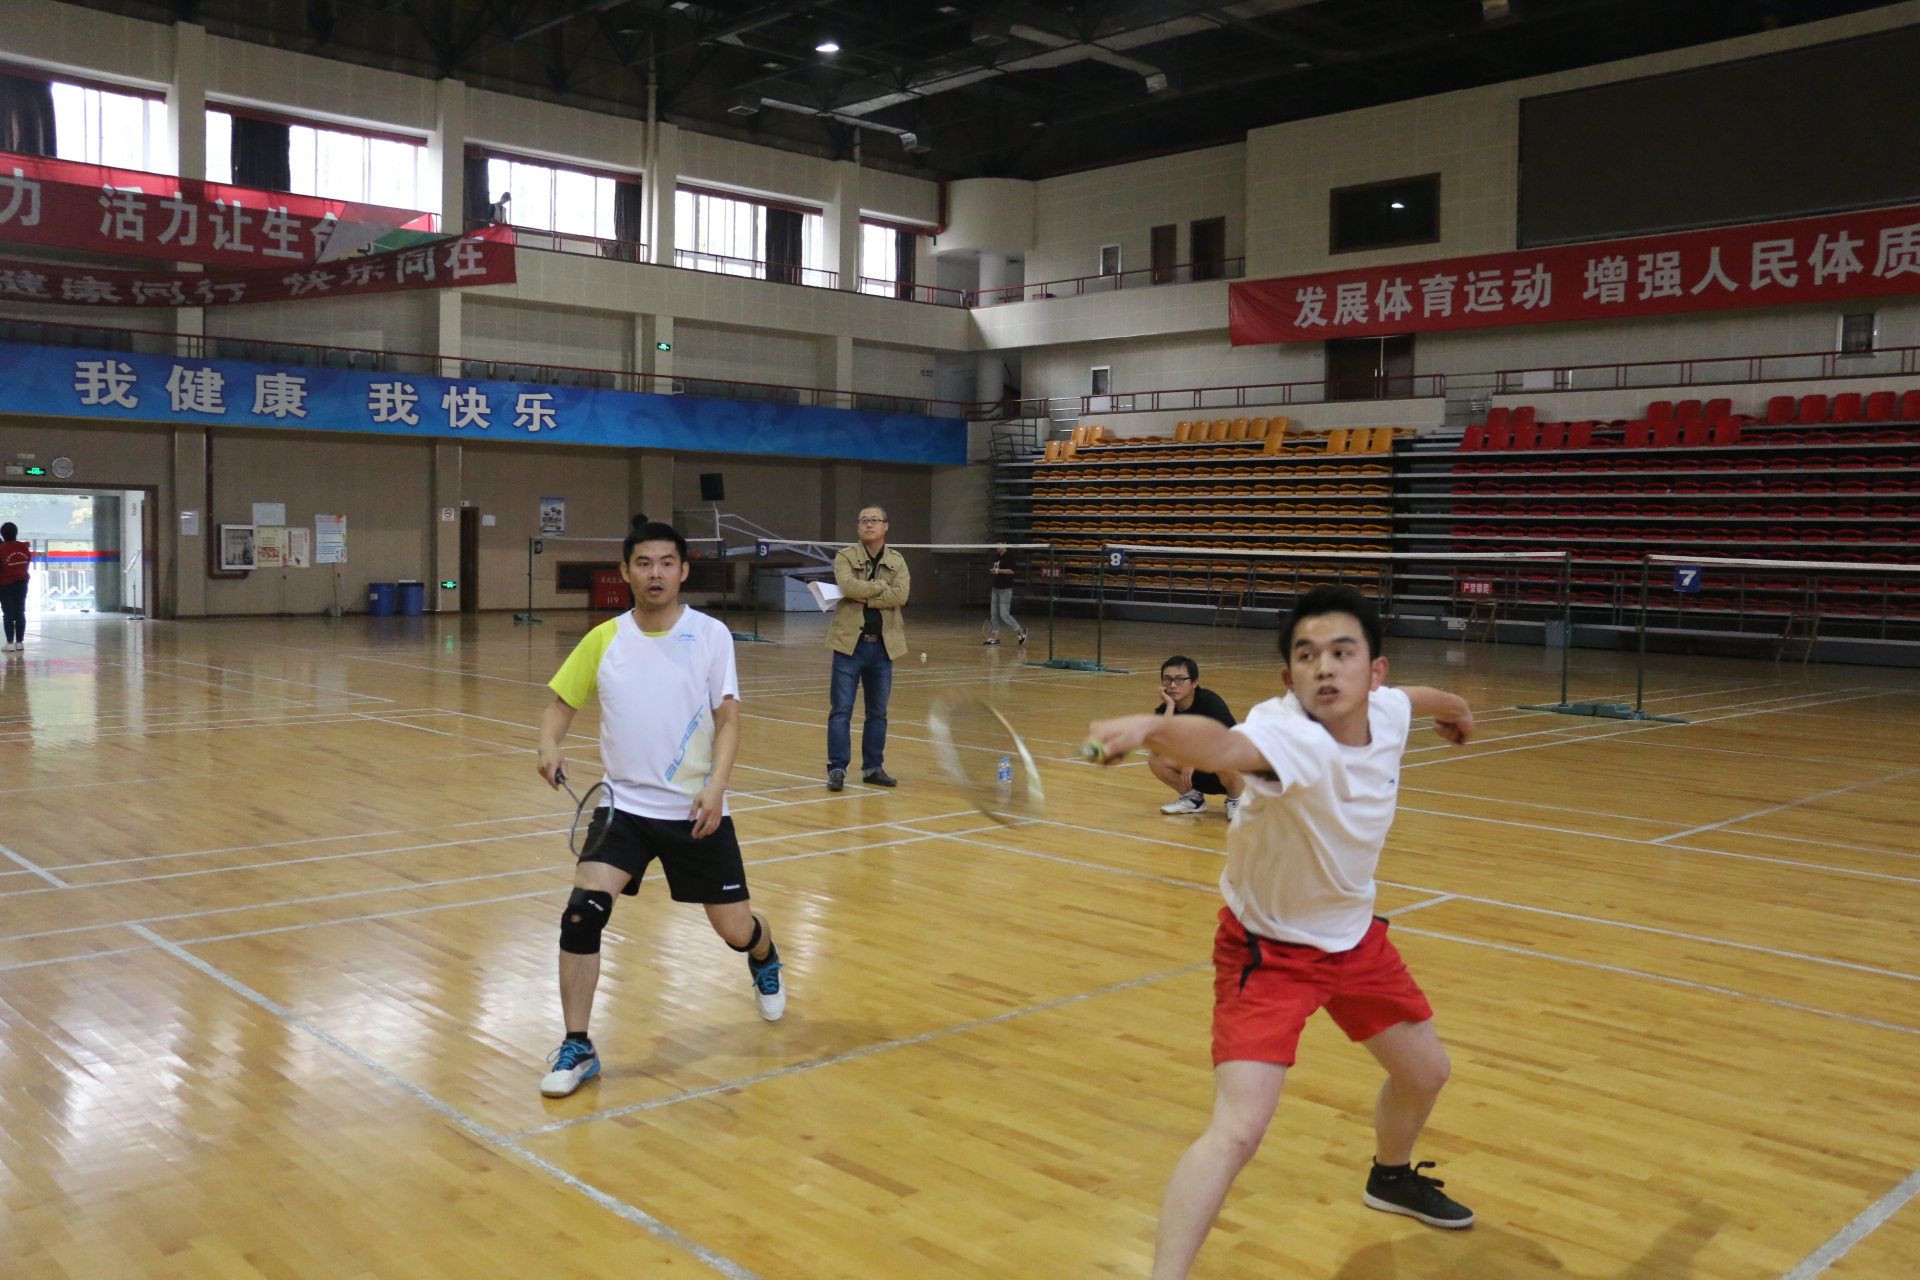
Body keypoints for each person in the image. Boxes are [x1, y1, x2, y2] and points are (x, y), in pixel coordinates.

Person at [1086, 585, 1478, 1278]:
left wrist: (1456, 708)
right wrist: (1151, 729)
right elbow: (1224, 744)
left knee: (1427, 1074)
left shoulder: (1385, 711)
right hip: (1267, 953)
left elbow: (1415, 698)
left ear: (1373, 671)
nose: (1324, 668)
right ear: (1287, 678)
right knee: (1239, 1129)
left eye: (1341, 653)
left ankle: (1389, 1177)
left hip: (1355, 939)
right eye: (1306, 656)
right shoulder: (1287, 734)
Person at [534, 517, 784, 1100]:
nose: (655, 574)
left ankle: (764, 953)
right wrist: (548, 744)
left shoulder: (711, 635)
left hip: (695, 809)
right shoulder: (603, 638)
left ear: (683, 571)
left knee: (733, 928)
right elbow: (559, 706)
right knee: (581, 914)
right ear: (625, 573)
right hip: (622, 808)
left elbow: (728, 720)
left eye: (666, 563)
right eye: (643, 564)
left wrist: (717, 787)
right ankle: (578, 1044)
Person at [825, 505, 909, 791]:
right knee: (841, 711)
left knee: (878, 712)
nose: (868, 525)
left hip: (883, 648)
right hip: (849, 646)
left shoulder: (897, 561)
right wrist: (880, 588)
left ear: (886, 526)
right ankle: (837, 769)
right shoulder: (845, 556)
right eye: (863, 521)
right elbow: (848, 588)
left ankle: (873, 767)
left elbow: (902, 595)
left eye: (874, 521)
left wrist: (867, 594)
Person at [1149, 656, 1244, 817]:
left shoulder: (1209, 702)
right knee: (1156, 757)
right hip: (1196, 774)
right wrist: (1170, 705)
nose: (1172, 686)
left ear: (1194, 683)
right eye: (1167, 680)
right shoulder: (1165, 710)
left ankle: (1236, 801)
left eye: (1180, 680)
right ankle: (1193, 799)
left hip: (1232, 772)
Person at [983, 544, 1027, 646]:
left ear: (1005, 544)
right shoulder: (997, 556)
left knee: (1004, 614)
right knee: (994, 614)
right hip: (996, 588)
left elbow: (1011, 571)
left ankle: (1021, 631)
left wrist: (998, 571)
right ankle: (995, 638)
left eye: (999, 544)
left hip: (1005, 589)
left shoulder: (1010, 556)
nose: (997, 547)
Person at [0, 521, 28, 652]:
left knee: (8, 614)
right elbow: (27, 560)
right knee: (20, 612)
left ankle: (10, 643)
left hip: (6, 584)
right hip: (22, 583)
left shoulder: (1, 549)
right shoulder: (23, 547)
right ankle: (20, 642)